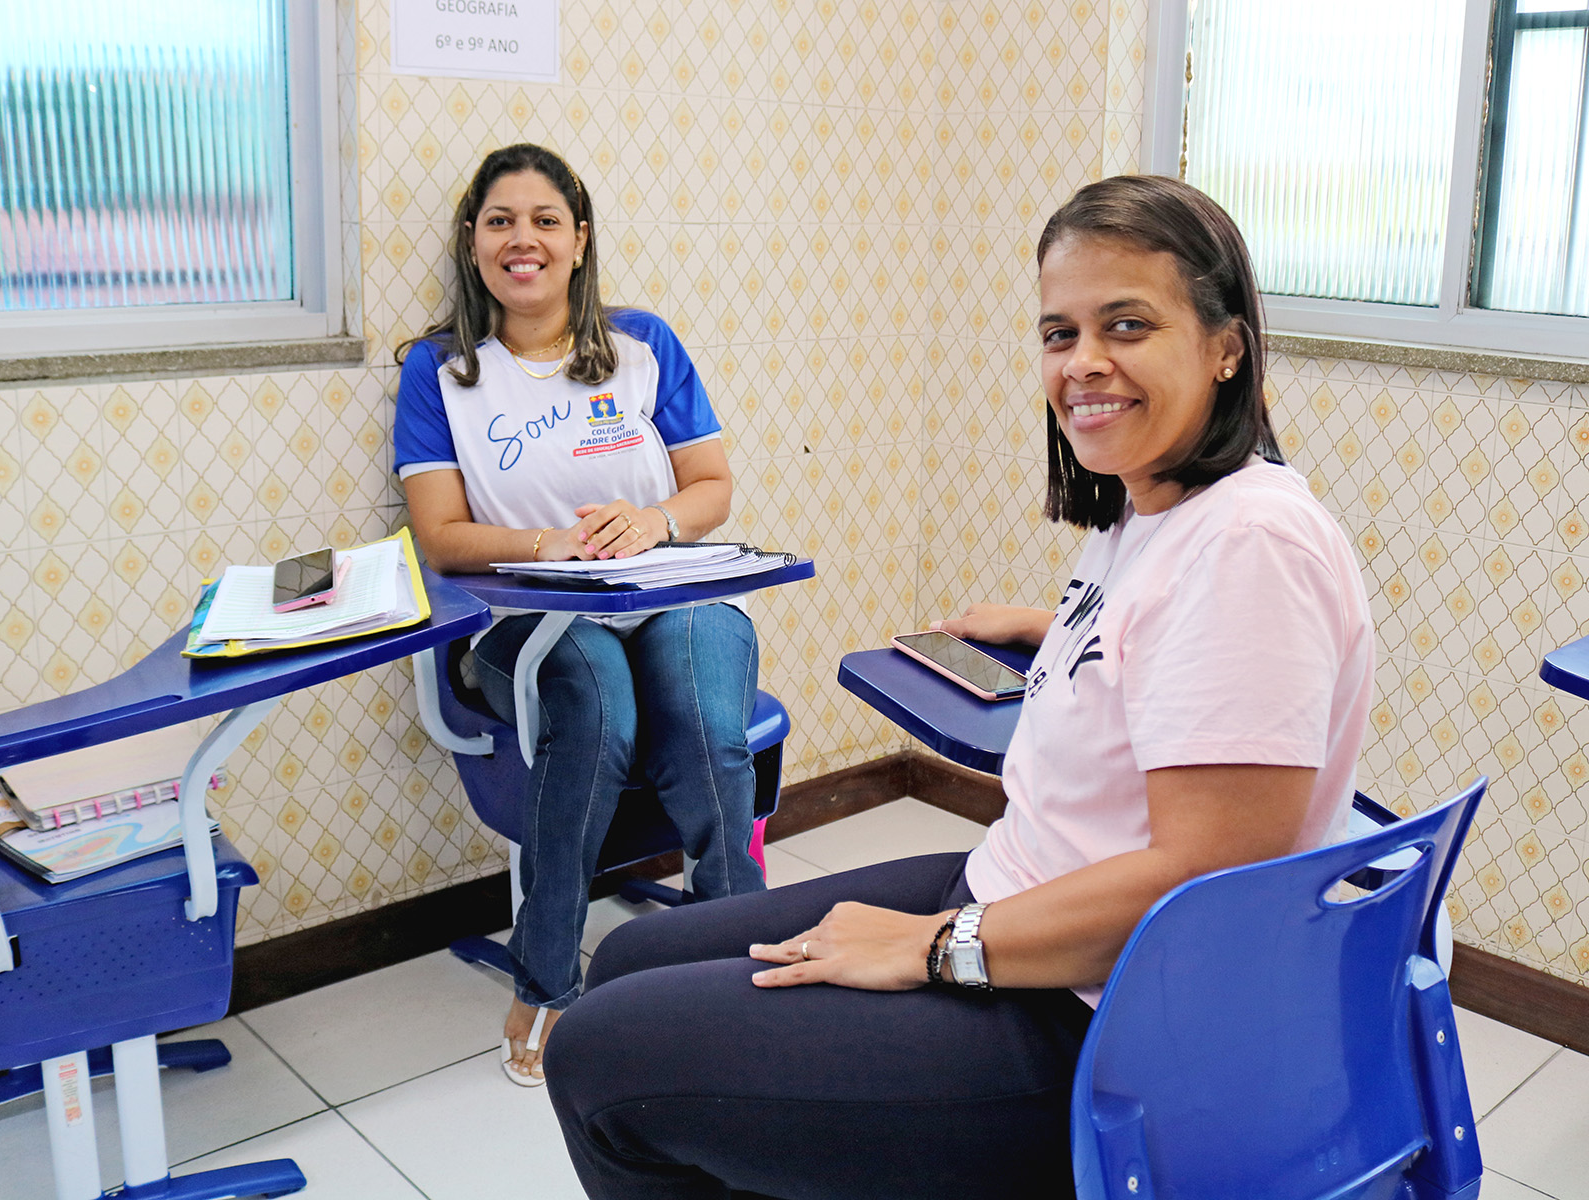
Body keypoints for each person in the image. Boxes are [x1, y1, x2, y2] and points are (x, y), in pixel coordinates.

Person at [542, 175, 1375, 1198]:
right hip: (1023, 900)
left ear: (1224, 345)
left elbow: (1197, 881)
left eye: (1126, 324)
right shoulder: (1158, 511)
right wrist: (1055, 625)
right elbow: (1172, 650)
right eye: (1058, 333)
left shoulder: (1252, 543)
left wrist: (935, 948)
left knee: (598, 1054)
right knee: (633, 963)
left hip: (1097, 1027)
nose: (1083, 364)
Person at [392, 143, 766, 1088]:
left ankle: (735, 966)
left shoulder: (644, 343)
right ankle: (548, 979)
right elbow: (440, 536)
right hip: (528, 613)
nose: (525, 240)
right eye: (501, 221)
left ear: (580, 238)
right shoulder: (440, 371)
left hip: (670, 585)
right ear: (473, 242)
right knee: (595, 707)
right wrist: (549, 545)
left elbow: (712, 486)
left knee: (712, 731)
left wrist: (656, 522)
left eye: (546, 220)